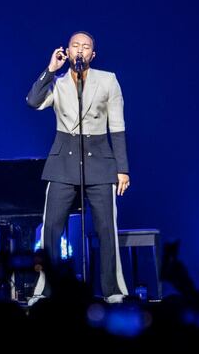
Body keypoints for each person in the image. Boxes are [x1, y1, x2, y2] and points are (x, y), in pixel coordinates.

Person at [26, 31, 130, 303]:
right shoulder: (57, 82)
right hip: (63, 161)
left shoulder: (108, 80)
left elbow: (117, 127)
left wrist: (123, 168)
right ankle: (45, 291)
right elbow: (33, 102)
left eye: (85, 47)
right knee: (50, 229)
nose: (80, 50)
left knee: (107, 229)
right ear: (67, 52)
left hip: (99, 160)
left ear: (92, 54)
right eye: (75, 46)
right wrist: (50, 69)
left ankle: (113, 290)